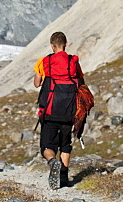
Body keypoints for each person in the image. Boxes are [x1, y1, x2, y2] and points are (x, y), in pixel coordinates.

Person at [33, 31, 84, 189]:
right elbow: (81, 82)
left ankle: (52, 161)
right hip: (69, 111)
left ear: (52, 45)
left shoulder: (44, 61)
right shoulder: (73, 62)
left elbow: (37, 83)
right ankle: (64, 178)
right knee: (65, 145)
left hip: (49, 110)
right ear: (66, 44)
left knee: (47, 146)